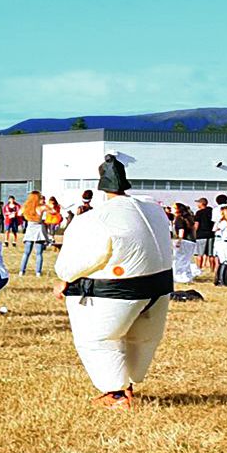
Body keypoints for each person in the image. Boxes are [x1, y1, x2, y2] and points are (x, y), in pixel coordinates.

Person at [54, 155, 172, 408]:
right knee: (140, 339)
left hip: (117, 291)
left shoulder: (95, 218)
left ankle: (116, 394)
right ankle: (127, 384)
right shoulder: (154, 210)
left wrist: (65, 277)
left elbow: (78, 260)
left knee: (98, 339)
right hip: (160, 287)